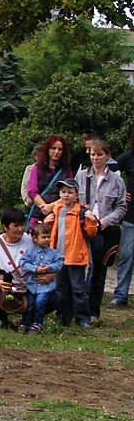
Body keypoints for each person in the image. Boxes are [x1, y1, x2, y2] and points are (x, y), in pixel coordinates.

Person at [75, 138, 127, 320]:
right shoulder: (82, 176)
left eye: (99, 154)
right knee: (79, 268)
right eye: (93, 154)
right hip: (84, 227)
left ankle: (93, 310)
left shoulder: (117, 180)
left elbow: (121, 207)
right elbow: (73, 200)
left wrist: (103, 222)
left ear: (107, 156)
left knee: (98, 271)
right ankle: (78, 309)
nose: (95, 158)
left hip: (106, 229)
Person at [45, 179, 98, 328]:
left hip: (76, 256)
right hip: (58, 256)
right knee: (61, 289)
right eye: (63, 192)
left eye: (70, 192)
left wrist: (92, 221)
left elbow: (91, 233)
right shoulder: (57, 210)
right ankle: (63, 317)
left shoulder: (81, 212)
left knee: (78, 289)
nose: (66, 195)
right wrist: (47, 222)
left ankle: (82, 318)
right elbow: (49, 232)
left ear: (76, 195)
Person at [19, 223, 64, 333]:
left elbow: (59, 264)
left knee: (40, 302)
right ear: (35, 238)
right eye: (43, 237)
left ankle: (38, 322)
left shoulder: (54, 253)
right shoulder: (30, 252)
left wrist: (49, 268)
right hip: (31, 285)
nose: (47, 240)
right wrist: (36, 269)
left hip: (45, 287)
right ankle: (25, 322)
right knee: (29, 304)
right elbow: (23, 263)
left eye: (48, 237)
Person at [27, 135, 73, 228]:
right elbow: (32, 191)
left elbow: (70, 192)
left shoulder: (67, 171)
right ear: (47, 149)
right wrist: (44, 207)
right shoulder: (37, 168)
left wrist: (51, 206)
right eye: (53, 148)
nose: (56, 152)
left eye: (60, 149)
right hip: (38, 214)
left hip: (59, 215)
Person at [111, 130, 134, 308]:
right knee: (126, 256)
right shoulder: (128, 157)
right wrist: (120, 193)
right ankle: (121, 294)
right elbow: (109, 173)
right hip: (131, 217)